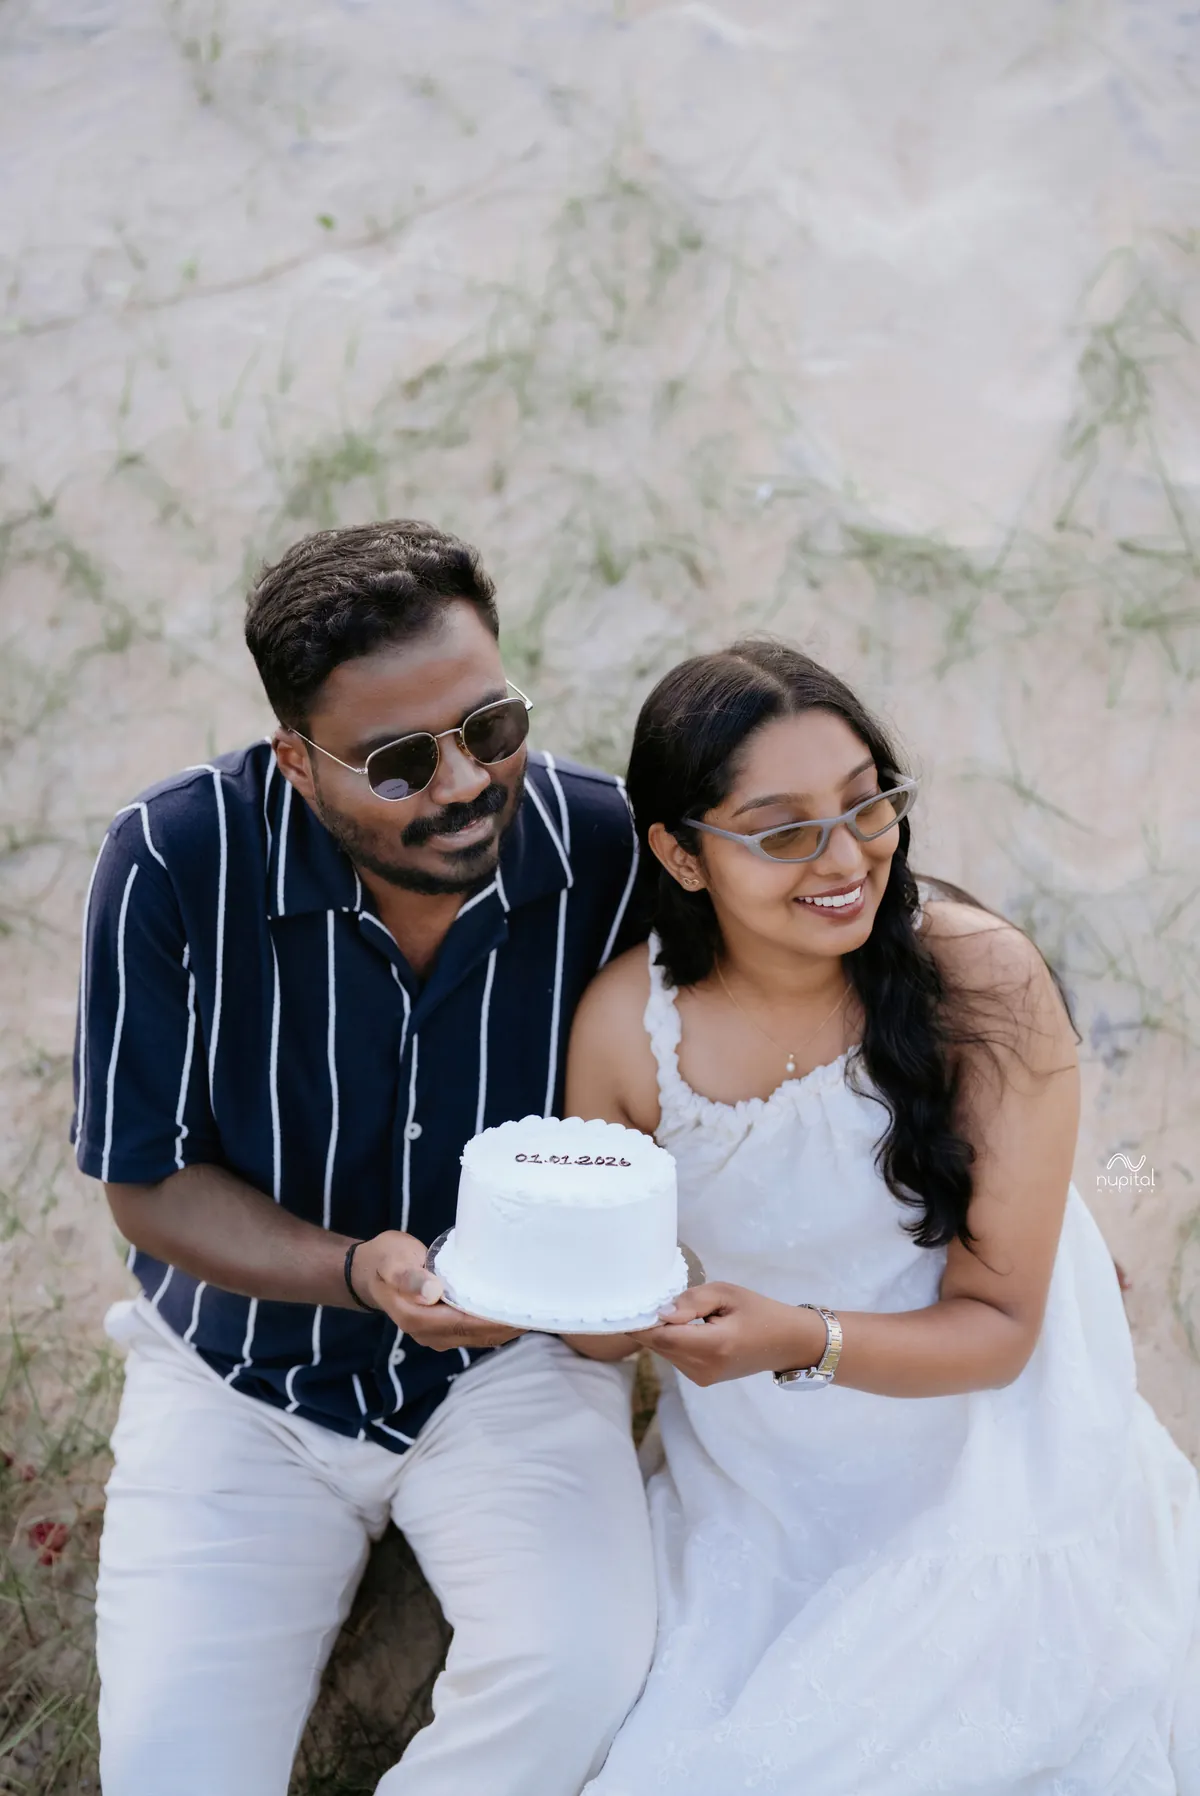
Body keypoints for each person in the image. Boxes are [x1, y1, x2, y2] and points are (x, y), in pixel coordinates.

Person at [72, 520, 656, 1796]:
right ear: (297, 759)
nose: (462, 781)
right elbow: (146, 1179)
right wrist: (357, 1270)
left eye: (490, 726)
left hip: (516, 1367)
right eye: (398, 760)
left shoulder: (608, 847)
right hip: (238, 1376)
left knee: (580, 1676)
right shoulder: (172, 859)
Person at [565, 640, 1200, 1795]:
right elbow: (603, 1320)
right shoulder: (628, 1030)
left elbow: (1001, 1329)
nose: (845, 857)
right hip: (767, 1476)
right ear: (680, 853)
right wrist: (590, 1307)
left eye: (868, 805)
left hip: (991, 1446)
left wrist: (796, 1336)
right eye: (782, 828)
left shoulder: (979, 980)